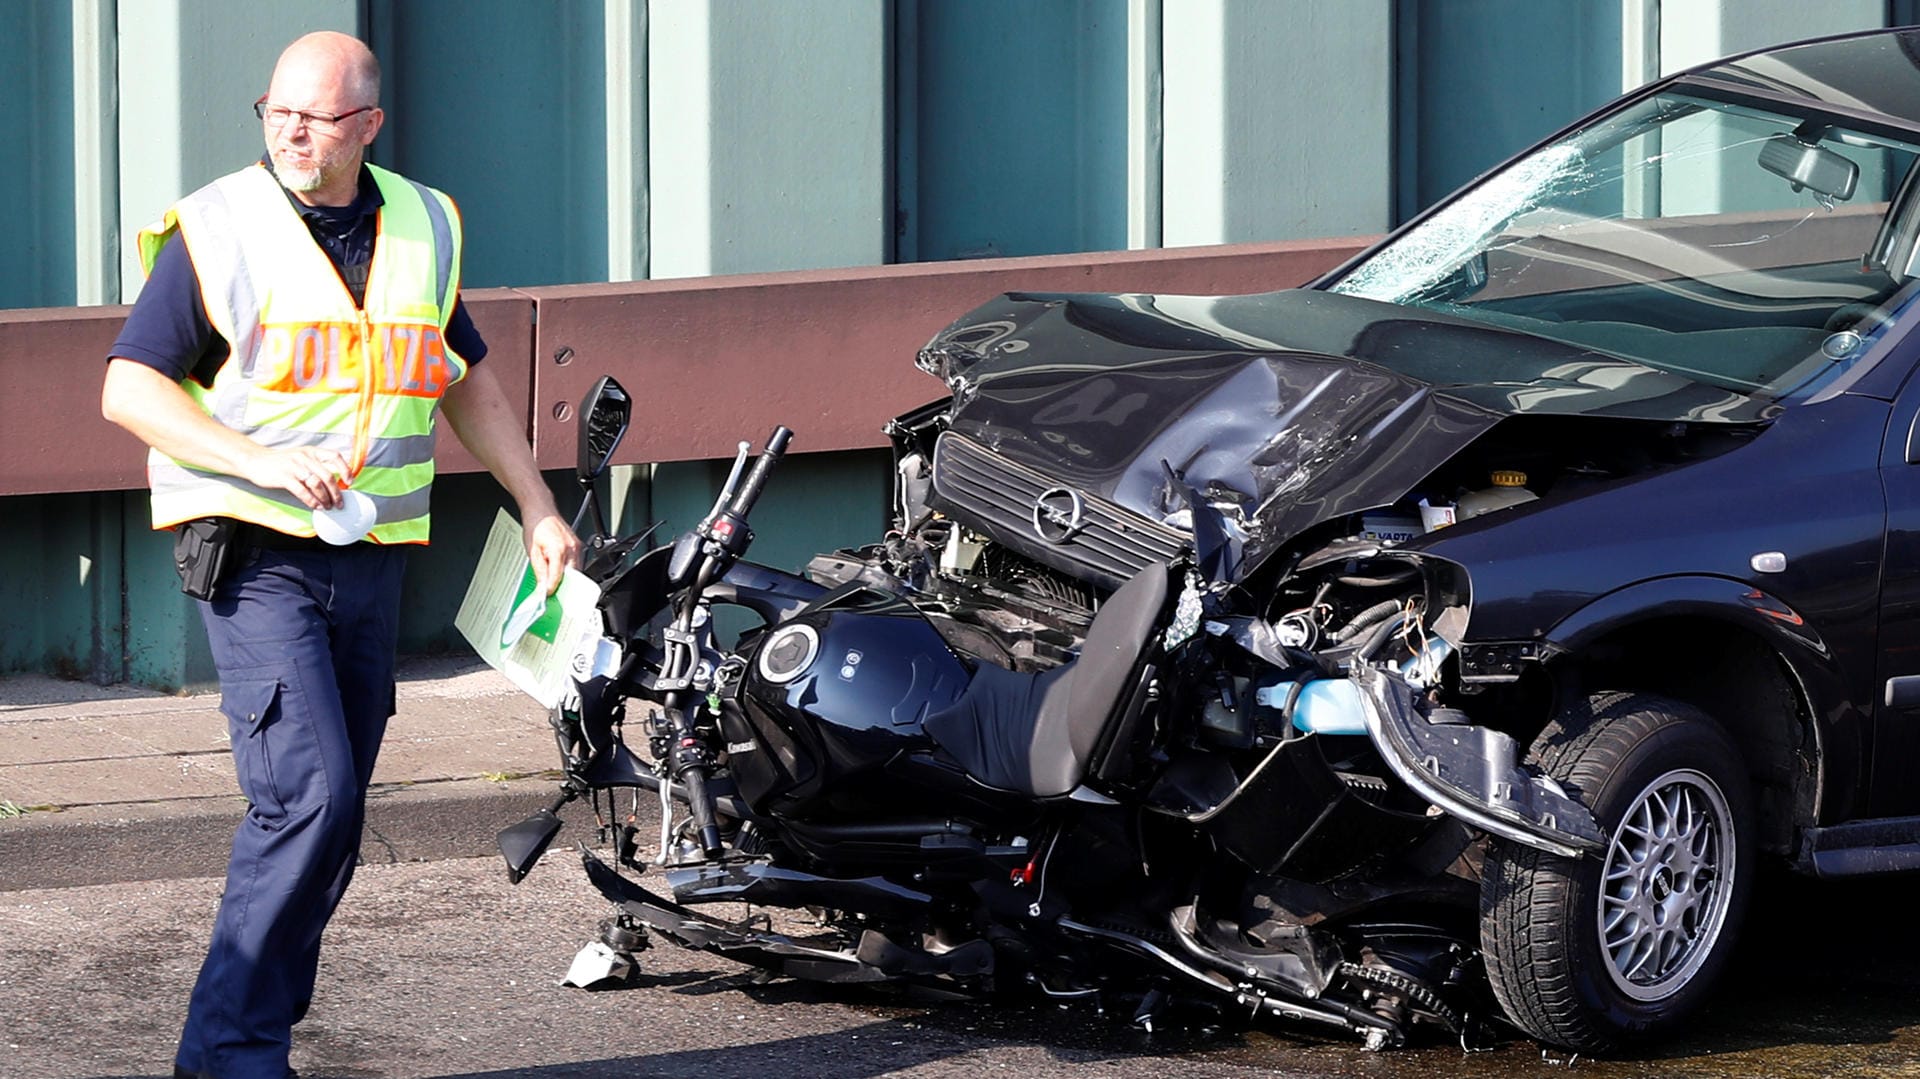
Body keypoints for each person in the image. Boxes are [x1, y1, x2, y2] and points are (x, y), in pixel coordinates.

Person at [99, 31, 578, 1079]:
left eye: (317, 118)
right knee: (308, 797)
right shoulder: (218, 227)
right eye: (277, 111)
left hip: (371, 557)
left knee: (337, 814)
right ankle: (230, 1053)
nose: (292, 132)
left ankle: (252, 1017)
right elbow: (127, 388)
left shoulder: (424, 221)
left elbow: (464, 380)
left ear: (370, 123)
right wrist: (261, 462)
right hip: (253, 550)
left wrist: (537, 500)